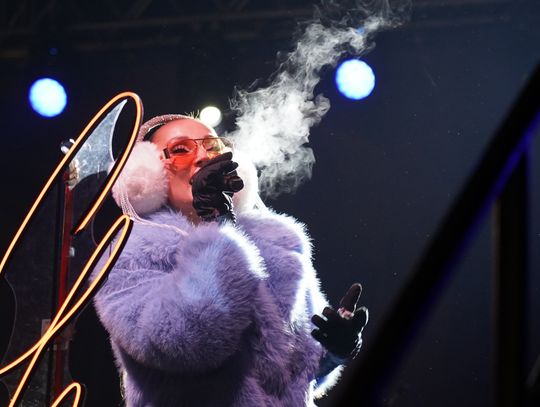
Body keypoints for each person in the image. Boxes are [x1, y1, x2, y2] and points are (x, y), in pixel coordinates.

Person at [92, 114, 368, 406]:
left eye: (213, 147)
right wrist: (218, 228)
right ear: (147, 172)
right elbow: (183, 341)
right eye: (181, 149)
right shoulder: (126, 256)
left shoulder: (278, 243)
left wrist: (334, 349)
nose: (203, 157)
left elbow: (295, 371)